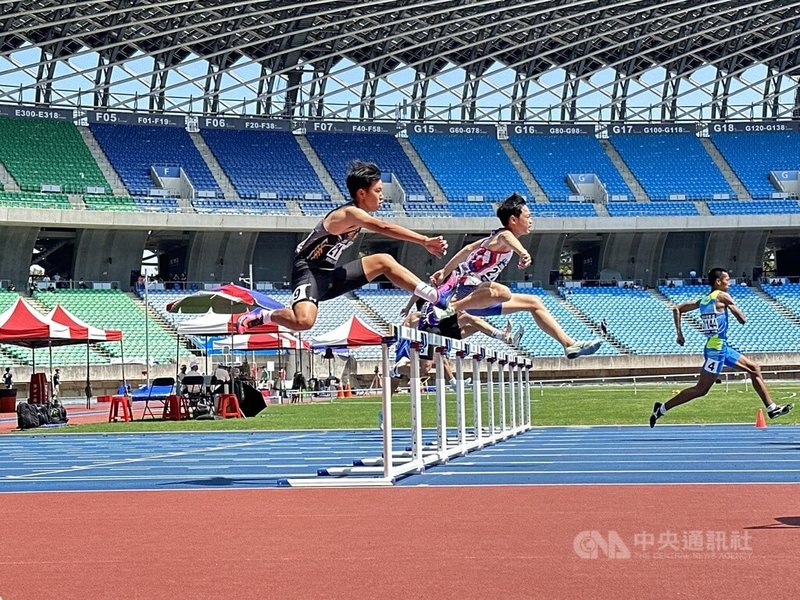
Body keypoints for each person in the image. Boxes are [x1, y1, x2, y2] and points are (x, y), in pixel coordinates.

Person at [235, 160, 450, 333]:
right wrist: (424, 241)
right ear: (361, 193)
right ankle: (263, 315)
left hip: (329, 275)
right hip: (309, 271)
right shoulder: (349, 213)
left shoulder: (357, 216)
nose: (383, 196)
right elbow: (382, 227)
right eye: (378, 191)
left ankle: (434, 296)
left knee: (383, 260)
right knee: (304, 322)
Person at [423, 193, 601, 360]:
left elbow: (467, 249)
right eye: (528, 216)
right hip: (467, 292)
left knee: (534, 302)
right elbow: (507, 238)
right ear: (514, 219)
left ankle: (569, 344)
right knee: (502, 292)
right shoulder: (503, 235)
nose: (531, 220)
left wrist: (444, 271)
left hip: (478, 300)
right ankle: (451, 308)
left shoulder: (492, 238)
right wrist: (523, 253)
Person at [649, 267, 793, 428]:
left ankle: (771, 408)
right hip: (716, 350)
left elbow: (677, 309)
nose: (729, 283)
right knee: (701, 390)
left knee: (754, 368)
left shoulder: (703, 300)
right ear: (718, 282)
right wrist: (737, 312)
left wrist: (679, 334)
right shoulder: (722, 296)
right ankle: (661, 409)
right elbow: (742, 318)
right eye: (727, 280)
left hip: (719, 346)